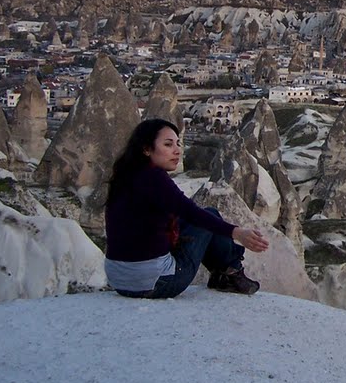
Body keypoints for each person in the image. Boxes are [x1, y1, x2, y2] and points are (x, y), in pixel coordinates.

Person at [104, 118, 269, 299]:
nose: (177, 150)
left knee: (193, 220)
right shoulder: (154, 178)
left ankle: (227, 273)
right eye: (168, 144)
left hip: (119, 280)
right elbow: (191, 213)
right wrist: (237, 233)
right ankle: (230, 273)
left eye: (178, 143)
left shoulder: (125, 176)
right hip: (157, 283)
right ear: (146, 149)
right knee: (208, 215)